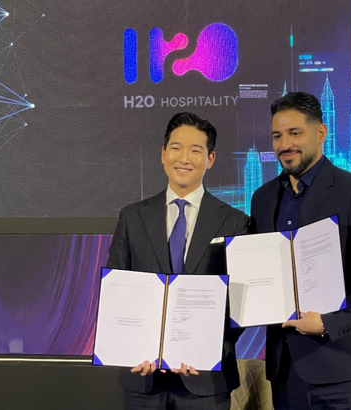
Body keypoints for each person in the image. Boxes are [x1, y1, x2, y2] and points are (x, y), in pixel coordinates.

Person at [250, 92, 351, 409]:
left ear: (320, 133)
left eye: (294, 133)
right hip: (285, 371)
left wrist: (330, 323)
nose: (284, 144)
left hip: (346, 368)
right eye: (277, 136)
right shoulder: (262, 199)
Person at [106, 112, 248, 410]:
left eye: (195, 150)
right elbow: (116, 293)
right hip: (142, 379)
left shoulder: (235, 222)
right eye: (176, 148)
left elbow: (241, 303)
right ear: (163, 154)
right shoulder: (132, 217)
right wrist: (132, 346)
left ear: (210, 159)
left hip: (205, 381)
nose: (184, 158)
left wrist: (205, 349)